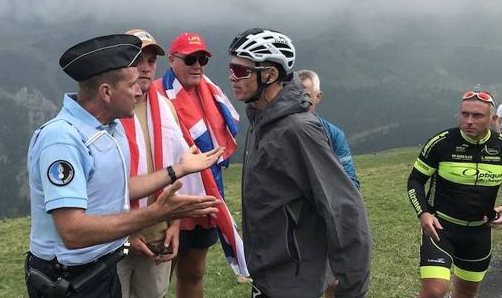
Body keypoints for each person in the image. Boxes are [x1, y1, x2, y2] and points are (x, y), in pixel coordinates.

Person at [25, 34, 225, 298]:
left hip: (103, 265)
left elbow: (121, 188)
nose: (140, 90)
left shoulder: (110, 128)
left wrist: (176, 171)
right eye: (131, 85)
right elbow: (72, 231)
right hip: (69, 278)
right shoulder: (63, 139)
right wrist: (156, 213)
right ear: (106, 92)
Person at [227, 28, 371, 298]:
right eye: (231, 68)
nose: (231, 77)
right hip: (267, 274)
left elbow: (343, 208)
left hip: (292, 280)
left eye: (240, 70)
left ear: (269, 74)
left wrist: (352, 287)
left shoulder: (298, 130)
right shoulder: (259, 120)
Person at [154, 32, 247, 298]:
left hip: (207, 195)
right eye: (190, 59)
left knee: (194, 272)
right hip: (172, 198)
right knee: (160, 277)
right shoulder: (157, 93)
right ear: (172, 60)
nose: (197, 65)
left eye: (203, 59)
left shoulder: (211, 93)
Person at [407, 90, 502, 298]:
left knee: (466, 294)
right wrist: (423, 213)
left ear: (493, 119)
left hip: (479, 233)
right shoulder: (441, 142)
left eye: (477, 116)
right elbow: (415, 180)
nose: (468, 121)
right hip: (441, 228)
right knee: (434, 291)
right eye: (464, 114)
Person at [116, 29, 188, 298]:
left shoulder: (167, 109)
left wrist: (175, 227)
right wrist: (124, 238)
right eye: (137, 60)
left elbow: (178, 168)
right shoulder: (107, 111)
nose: (145, 68)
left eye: (150, 61)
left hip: (157, 238)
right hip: (115, 239)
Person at [296, 69, 359, 189]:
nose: (300, 102)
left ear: (318, 97)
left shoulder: (334, 135)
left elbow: (351, 182)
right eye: (294, 96)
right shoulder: (277, 131)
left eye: (306, 96)